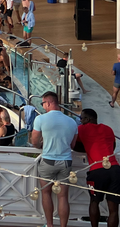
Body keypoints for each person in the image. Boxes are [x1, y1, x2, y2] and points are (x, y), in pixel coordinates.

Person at [30, 91, 78, 227]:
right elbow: (73, 145)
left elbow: (34, 141)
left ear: (49, 103)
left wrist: (40, 145)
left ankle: (49, 225)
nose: (43, 106)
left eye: (43, 103)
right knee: (63, 196)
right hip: (66, 162)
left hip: (48, 161)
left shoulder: (40, 119)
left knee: (46, 193)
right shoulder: (72, 121)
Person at [74, 108, 120, 227]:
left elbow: (72, 144)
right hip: (115, 169)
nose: (80, 121)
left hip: (97, 170)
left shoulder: (82, 129)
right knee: (113, 210)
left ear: (87, 119)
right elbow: (112, 147)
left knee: (94, 202)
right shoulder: (108, 129)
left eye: (81, 118)